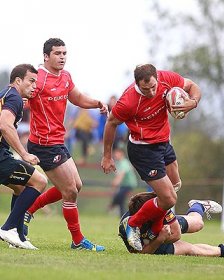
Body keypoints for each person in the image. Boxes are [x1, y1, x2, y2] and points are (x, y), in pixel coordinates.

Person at [101, 64, 201, 251]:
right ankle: (133, 223)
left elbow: (193, 86)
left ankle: (155, 223)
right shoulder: (128, 100)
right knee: (169, 199)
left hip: (164, 143)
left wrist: (192, 102)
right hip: (143, 150)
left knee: (174, 187)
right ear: (137, 83)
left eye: (153, 87)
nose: (151, 92)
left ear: (157, 77)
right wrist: (107, 156)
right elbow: (111, 123)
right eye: (145, 89)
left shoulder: (167, 79)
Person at [24, 38, 108, 251]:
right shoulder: (38, 79)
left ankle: (28, 210)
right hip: (43, 144)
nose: (62, 57)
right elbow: (21, 98)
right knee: (70, 191)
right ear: (46, 56)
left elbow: (77, 97)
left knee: (76, 186)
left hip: (58, 141)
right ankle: (78, 241)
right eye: (57, 53)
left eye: (64, 53)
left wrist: (96, 102)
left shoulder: (65, 76)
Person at [118, 192, 224, 258]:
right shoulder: (127, 227)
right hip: (153, 243)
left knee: (198, 224)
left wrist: (164, 234)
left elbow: (176, 234)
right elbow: (141, 253)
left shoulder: (161, 208)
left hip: (166, 229)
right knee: (190, 250)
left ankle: (197, 205)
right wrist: (160, 239)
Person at [0, 64, 47, 250]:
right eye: (31, 81)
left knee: (21, 186)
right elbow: (5, 125)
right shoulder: (14, 97)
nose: (34, 85)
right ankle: (8, 228)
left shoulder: (6, 94)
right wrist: (24, 153)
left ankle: (19, 237)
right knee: (39, 181)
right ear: (18, 81)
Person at [108, 144, 138, 217]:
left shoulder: (124, 162)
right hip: (123, 185)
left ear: (122, 153)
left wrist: (115, 183)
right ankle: (123, 215)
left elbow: (121, 175)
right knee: (121, 199)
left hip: (129, 184)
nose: (115, 154)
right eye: (115, 152)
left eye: (117, 153)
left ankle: (111, 206)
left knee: (119, 196)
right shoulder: (118, 163)